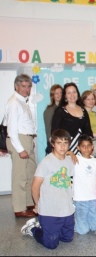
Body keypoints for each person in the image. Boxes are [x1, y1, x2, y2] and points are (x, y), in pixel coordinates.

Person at [21, 129, 75, 249]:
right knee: (51, 244)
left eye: (65, 143)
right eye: (59, 143)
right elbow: (35, 187)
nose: (62, 146)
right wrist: (37, 204)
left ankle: (49, 230)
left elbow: (70, 181)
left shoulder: (69, 160)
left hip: (66, 209)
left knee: (67, 238)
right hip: (49, 210)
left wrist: (72, 154)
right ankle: (33, 229)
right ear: (52, 143)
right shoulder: (46, 162)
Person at [4, 74, 37, 218]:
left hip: (27, 140)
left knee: (31, 173)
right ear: (16, 86)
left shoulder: (23, 102)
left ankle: (28, 203)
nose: (26, 89)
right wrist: (20, 149)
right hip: (19, 140)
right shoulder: (14, 103)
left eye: (29, 86)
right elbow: (11, 130)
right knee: (20, 176)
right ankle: (19, 208)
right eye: (23, 86)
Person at [73, 134, 96, 235]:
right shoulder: (75, 159)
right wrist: (70, 153)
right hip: (80, 199)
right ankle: (72, 221)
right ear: (78, 148)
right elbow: (63, 154)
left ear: (92, 147)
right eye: (83, 146)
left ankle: (80, 220)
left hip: (93, 198)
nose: (86, 148)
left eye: (88, 146)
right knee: (83, 231)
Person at [51, 82, 93, 154]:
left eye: (74, 92)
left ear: (77, 93)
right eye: (69, 93)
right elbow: (54, 133)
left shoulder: (84, 110)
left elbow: (88, 132)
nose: (72, 95)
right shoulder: (60, 111)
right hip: (65, 150)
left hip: (82, 150)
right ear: (65, 96)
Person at [43, 84, 62, 154]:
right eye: (56, 93)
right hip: (54, 142)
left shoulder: (65, 108)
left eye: (60, 93)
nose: (59, 95)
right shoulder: (50, 110)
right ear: (52, 95)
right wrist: (51, 141)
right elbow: (48, 128)